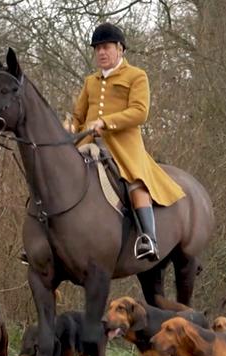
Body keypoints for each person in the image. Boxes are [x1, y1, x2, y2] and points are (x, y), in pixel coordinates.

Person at [70, 22, 186, 260]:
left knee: (135, 183)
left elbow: (140, 112)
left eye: (106, 47)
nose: (101, 52)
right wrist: (69, 126)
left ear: (120, 49)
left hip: (122, 147)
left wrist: (105, 122)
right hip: (87, 144)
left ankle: (148, 239)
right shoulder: (90, 81)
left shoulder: (136, 76)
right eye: (97, 48)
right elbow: (77, 116)